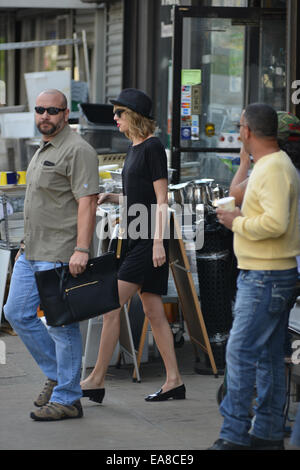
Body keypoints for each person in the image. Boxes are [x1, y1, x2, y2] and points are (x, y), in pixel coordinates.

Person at [80, 88, 185, 402]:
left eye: (119, 113)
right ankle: (174, 381)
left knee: (111, 305)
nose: (114, 117)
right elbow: (141, 196)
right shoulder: (134, 148)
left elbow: (162, 201)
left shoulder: (152, 147)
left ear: (134, 116)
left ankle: (96, 379)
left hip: (145, 242)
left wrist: (157, 244)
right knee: (154, 312)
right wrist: (112, 197)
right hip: (135, 238)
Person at [4, 89, 99, 421]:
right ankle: (60, 375)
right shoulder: (43, 147)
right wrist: (22, 249)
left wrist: (82, 249)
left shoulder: (78, 151)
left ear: (66, 113)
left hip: (60, 252)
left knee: (62, 325)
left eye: (52, 111)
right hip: (32, 250)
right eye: (40, 110)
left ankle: (69, 398)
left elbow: (88, 203)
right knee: (15, 312)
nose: (44, 115)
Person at [209, 103, 300, 450]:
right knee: (267, 357)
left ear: (246, 131)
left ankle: (233, 436)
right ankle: (267, 434)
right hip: (270, 273)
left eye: (239, 126)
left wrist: (238, 223)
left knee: (240, 353)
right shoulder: (271, 165)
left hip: (265, 275)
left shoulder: (275, 168)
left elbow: (275, 224)